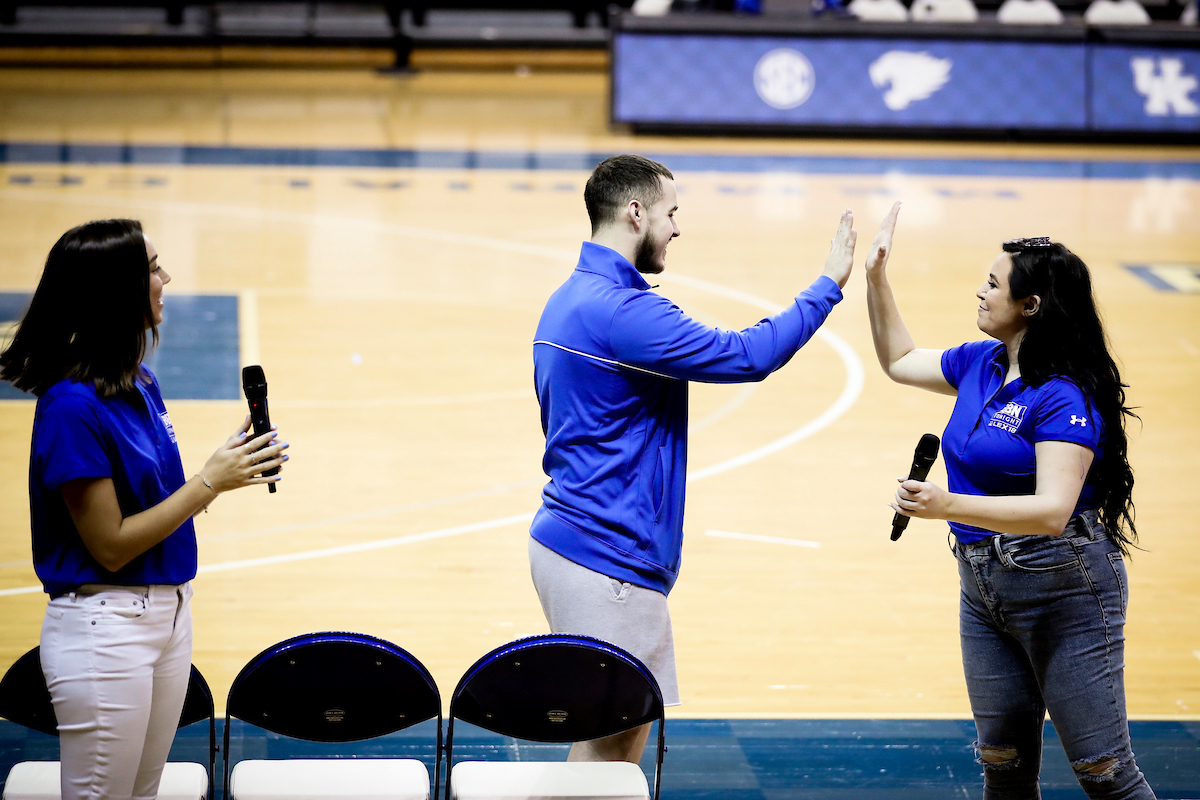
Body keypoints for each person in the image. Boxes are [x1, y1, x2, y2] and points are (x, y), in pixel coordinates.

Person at [529, 154, 857, 763]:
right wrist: (829, 284)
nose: (677, 228)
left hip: (571, 542)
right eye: (670, 212)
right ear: (635, 212)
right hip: (609, 558)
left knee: (610, 738)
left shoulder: (569, 299)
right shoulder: (624, 314)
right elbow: (749, 355)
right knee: (610, 748)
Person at [864, 202, 1155, 799]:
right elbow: (897, 360)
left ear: (1031, 306)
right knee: (1003, 764)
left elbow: (1053, 511)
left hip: (1064, 588)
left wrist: (945, 506)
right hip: (982, 586)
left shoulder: (1063, 393)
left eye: (993, 284)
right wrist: (876, 280)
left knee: (1105, 776)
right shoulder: (981, 363)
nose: (980, 291)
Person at [0, 219, 290, 800]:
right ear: (115, 292)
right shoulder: (69, 409)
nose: (165, 279)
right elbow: (109, 544)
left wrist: (225, 469)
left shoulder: (140, 382)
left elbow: (154, 506)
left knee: (143, 794)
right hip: (105, 629)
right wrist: (208, 481)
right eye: (152, 268)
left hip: (168, 615)